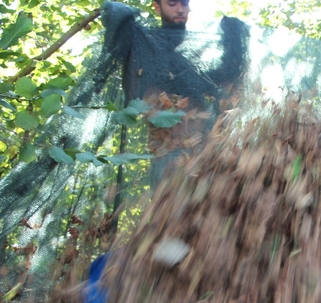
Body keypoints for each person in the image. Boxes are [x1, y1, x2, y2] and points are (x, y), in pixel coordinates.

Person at [98, 0, 249, 188]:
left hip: (207, 153)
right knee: (172, 200)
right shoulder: (145, 50)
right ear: (157, 7)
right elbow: (117, 33)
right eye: (172, 4)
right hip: (170, 155)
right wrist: (116, 12)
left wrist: (235, 39)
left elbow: (226, 78)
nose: (180, 9)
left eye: (184, 4)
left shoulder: (190, 62)